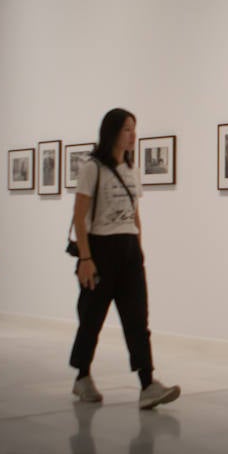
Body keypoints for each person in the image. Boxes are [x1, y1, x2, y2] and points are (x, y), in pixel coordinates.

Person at [69, 108, 180, 409]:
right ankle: (82, 376)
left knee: (137, 318)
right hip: (100, 249)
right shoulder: (92, 168)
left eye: (134, 128)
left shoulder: (132, 169)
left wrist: (139, 247)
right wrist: (85, 258)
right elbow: (79, 217)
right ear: (112, 132)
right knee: (92, 317)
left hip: (129, 250)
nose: (133, 134)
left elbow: (135, 214)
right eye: (127, 129)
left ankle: (147, 383)